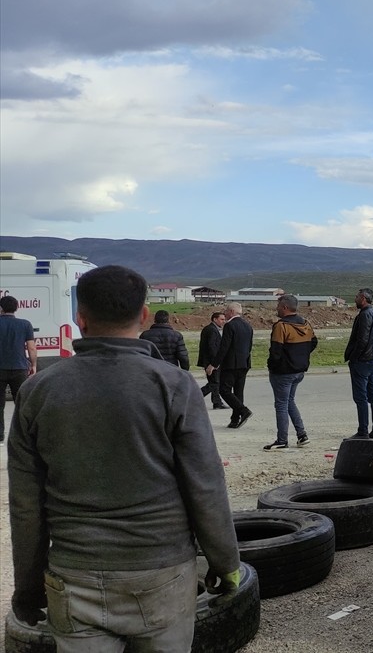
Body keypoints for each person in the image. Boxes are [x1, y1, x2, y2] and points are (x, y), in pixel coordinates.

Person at [7, 265, 240, 649]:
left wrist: (27, 588)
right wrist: (225, 562)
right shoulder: (174, 385)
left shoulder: (36, 391)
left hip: (73, 578)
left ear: (79, 318)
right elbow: (206, 485)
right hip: (162, 574)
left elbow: (26, 505)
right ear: (144, 315)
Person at [264, 295, 318, 451]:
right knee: (289, 402)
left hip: (283, 372)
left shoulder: (281, 326)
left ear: (285, 307)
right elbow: (314, 342)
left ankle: (282, 440)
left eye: (278, 306)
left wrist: (272, 366)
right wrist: (301, 355)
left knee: (281, 405)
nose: (277, 309)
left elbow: (276, 351)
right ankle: (301, 435)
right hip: (299, 370)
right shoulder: (306, 324)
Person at [345, 287, 373, 439]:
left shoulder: (365, 315)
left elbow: (362, 340)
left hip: (362, 360)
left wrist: (354, 357)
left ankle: (363, 431)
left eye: (357, 296)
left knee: (361, 397)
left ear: (363, 298)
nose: (354, 299)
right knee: (372, 394)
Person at [208, 301, 254, 428]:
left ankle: (243, 411)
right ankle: (235, 419)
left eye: (226, 311)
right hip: (244, 363)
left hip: (231, 364)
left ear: (232, 312)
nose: (225, 313)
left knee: (224, 390)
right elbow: (249, 346)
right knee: (238, 392)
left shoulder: (230, 325)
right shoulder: (248, 325)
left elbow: (224, 347)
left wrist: (214, 364)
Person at [0, 295, 37, 443]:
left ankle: (0, 435)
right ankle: (25, 435)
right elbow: (31, 348)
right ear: (16, 308)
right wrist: (33, 365)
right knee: (22, 403)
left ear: (1, 308)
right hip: (19, 368)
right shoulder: (25, 324)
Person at [197, 311, 228, 409]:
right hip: (211, 361)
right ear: (215, 319)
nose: (224, 321)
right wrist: (215, 363)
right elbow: (212, 348)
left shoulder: (211, 329)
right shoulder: (211, 330)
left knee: (215, 382)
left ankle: (217, 402)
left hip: (210, 361)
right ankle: (196, 396)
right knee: (214, 383)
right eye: (221, 319)